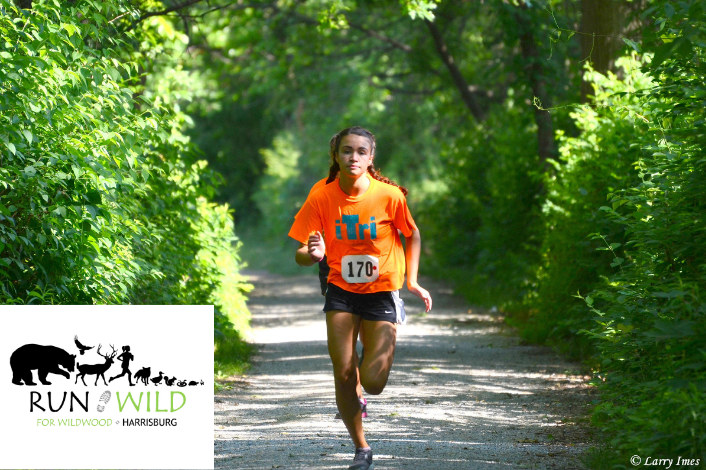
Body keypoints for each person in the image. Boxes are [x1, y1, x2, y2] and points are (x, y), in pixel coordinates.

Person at [289, 126, 432, 470]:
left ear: (371, 158)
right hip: (340, 290)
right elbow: (300, 254)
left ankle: (369, 357)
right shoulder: (321, 195)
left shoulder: (389, 196)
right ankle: (361, 448)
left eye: (360, 152)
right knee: (343, 373)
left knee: (373, 382)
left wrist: (410, 281)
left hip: (382, 291)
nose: (353, 157)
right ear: (336, 156)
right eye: (346, 151)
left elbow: (412, 235)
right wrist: (313, 254)